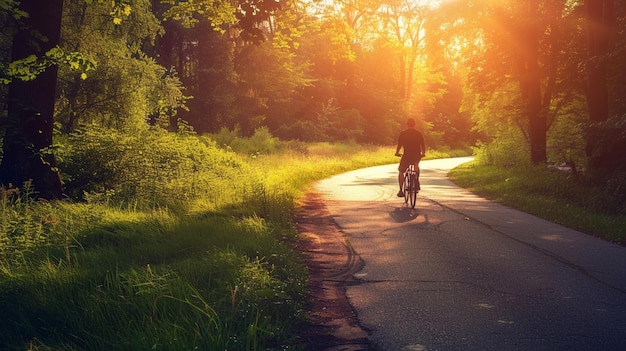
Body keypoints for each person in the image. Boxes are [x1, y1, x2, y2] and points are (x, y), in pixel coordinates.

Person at [394, 118, 425, 197]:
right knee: (416, 164)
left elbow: (399, 144)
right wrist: (423, 153)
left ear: (407, 124)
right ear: (415, 124)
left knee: (401, 171)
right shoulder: (418, 133)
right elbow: (422, 145)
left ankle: (401, 190)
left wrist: (397, 152)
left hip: (407, 155)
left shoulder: (403, 133)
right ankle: (416, 181)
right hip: (416, 155)